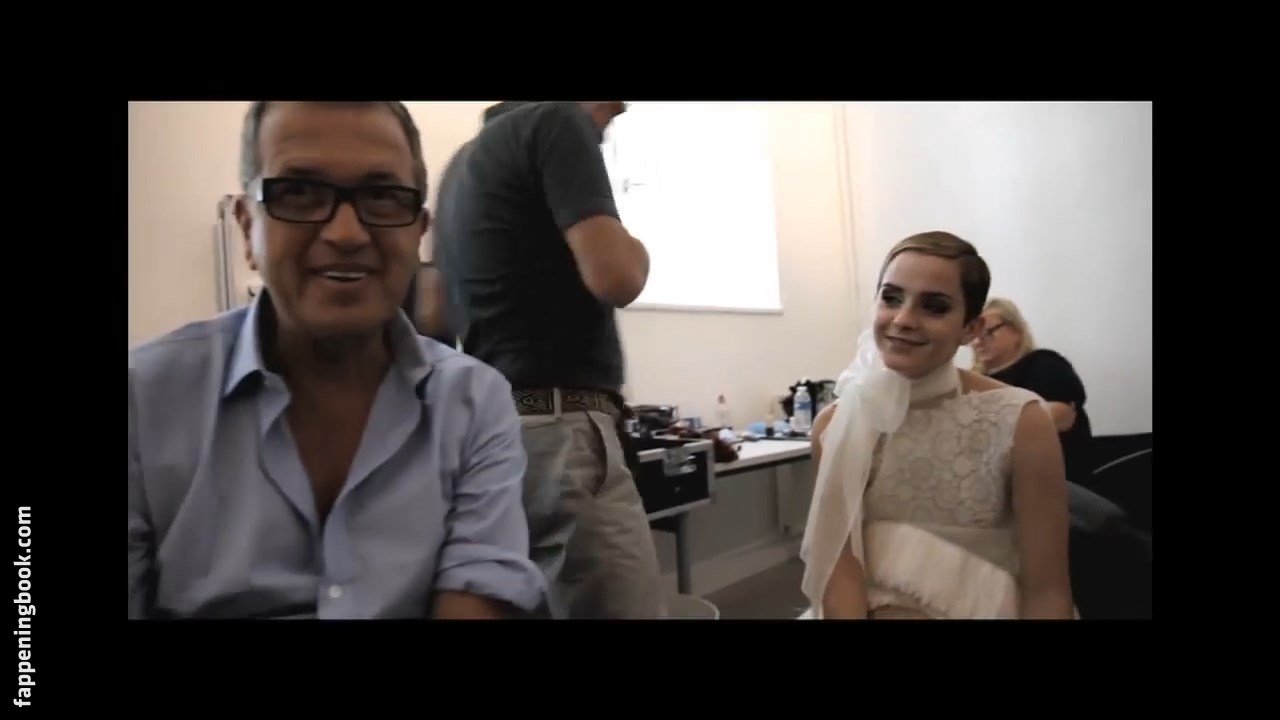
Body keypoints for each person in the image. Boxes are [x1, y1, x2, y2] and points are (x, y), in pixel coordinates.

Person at [128, 102, 545, 619]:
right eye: (299, 192)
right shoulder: (144, 399)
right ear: (246, 225)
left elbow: (476, 598)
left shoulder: (474, 402)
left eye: (381, 196)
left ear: (418, 231)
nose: (346, 234)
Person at [433, 101, 664, 619]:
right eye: (609, 116)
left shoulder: (462, 165)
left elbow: (431, 312)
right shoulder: (557, 122)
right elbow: (618, 276)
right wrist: (637, 248)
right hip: (563, 433)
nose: (605, 131)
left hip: (489, 435)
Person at [800, 231, 1074, 619]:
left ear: (970, 329)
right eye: (891, 298)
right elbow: (838, 573)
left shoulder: (1021, 421)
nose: (903, 320)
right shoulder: (836, 425)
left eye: (934, 307)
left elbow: (1047, 589)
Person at [971, 298, 1094, 484]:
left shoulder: (1044, 364)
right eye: (973, 334)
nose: (977, 342)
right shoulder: (974, 381)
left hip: (1056, 483)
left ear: (1016, 331)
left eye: (987, 332)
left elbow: (1060, 416)